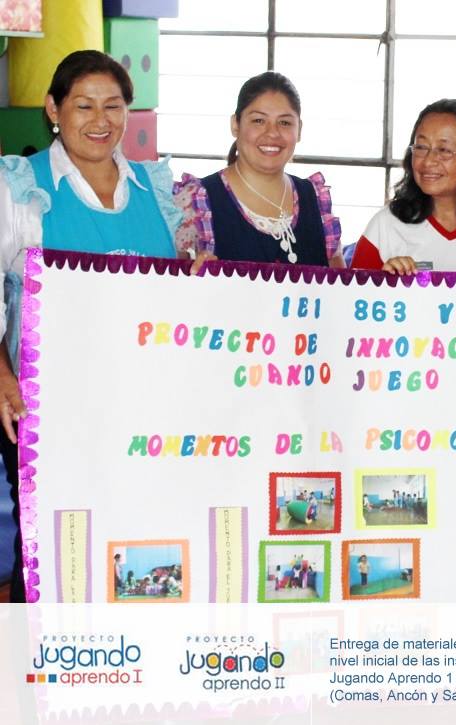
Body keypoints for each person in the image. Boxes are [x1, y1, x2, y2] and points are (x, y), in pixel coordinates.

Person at [0, 50, 182, 602]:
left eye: (113, 105)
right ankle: (31, 653)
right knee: (50, 551)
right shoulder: (19, 187)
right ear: (53, 109)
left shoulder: (157, 189)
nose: (100, 120)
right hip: (47, 406)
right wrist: (2, 375)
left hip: (143, 409)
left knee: (130, 543)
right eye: (84, 105)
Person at [175, 72, 344, 269]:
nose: (272, 133)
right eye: (258, 121)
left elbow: (340, 282)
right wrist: (192, 276)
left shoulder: (315, 198)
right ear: (235, 125)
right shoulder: (196, 201)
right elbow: (166, 281)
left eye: (284, 122)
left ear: (299, 130)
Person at [351, 98, 456, 274]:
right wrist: (384, 280)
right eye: (421, 147)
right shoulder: (384, 226)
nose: (428, 161)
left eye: (444, 150)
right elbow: (354, 290)